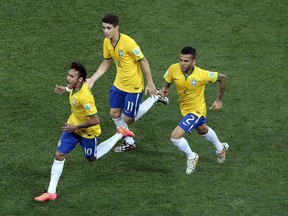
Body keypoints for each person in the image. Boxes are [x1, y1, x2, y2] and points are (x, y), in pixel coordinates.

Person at [56, 13, 168, 152]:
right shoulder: (107, 42)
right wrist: (92, 79)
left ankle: (156, 96)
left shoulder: (128, 43)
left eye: (108, 28)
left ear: (117, 27)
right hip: (119, 83)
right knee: (114, 113)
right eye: (103, 28)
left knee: (128, 119)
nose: (105, 31)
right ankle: (129, 141)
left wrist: (150, 83)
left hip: (134, 86)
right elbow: (105, 64)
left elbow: (143, 61)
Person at [34, 62, 134, 202]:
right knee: (59, 154)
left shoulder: (85, 97)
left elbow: (95, 120)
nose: (68, 78)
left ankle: (120, 133)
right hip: (72, 127)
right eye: (68, 75)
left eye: (72, 77)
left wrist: (76, 127)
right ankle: (51, 192)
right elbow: (76, 91)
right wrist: (66, 89)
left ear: (80, 79)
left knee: (92, 158)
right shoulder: (77, 87)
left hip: (87, 132)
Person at [161, 46, 229, 175]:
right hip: (185, 110)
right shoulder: (173, 69)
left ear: (194, 62)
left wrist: (219, 100)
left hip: (197, 110)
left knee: (175, 137)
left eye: (186, 61)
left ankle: (192, 156)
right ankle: (221, 148)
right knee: (202, 129)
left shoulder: (201, 75)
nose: (182, 63)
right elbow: (167, 83)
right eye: (181, 60)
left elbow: (223, 78)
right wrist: (164, 90)